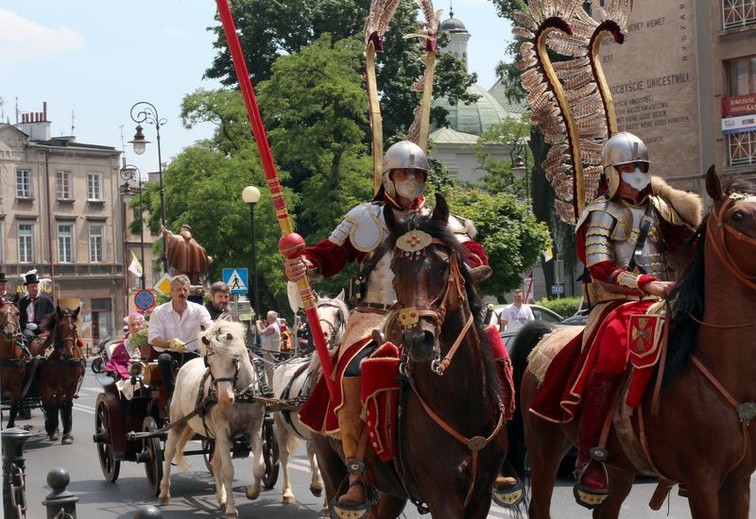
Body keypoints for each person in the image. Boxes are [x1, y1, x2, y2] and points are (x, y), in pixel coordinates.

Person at [284, 140, 490, 515]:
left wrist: (468, 261)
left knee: (491, 352)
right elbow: (328, 255)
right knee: (352, 372)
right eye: (402, 173)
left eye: (417, 174)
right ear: (387, 178)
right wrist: (305, 266)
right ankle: (358, 470)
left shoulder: (441, 219)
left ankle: (494, 446)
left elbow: (471, 252)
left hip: (432, 313)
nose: (411, 181)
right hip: (375, 315)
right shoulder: (365, 217)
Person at [529, 132, 701, 508]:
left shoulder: (662, 209)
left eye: (642, 167)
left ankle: (706, 446)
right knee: (612, 352)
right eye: (628, 168)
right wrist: (645, 283)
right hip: (617, 304)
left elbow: (687, 246)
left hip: (669, 301)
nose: (637, 174)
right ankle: (593, 452)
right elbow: (598, 265)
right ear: (611, 172)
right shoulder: (601, 213)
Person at [148, 274, 213, 401]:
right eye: (178, 290)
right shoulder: (159, 312)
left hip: (193, 353)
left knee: (211, 361)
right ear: (171, 291)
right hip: (171, 354)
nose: (182, 293)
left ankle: (206, 396)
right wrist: (170, 343)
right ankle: (172, 397)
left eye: (185, 290)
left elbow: (210, 325)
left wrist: (213, 334)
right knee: (164, 359)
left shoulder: (199, 309)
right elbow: (153, 338)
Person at [18, 272, 55, 342]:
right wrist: (25, 325)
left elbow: (53, 317)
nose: (34, 288)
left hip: (43, 332)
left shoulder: (46, 300)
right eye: (32, 287)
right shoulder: (22, 301)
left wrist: (44, 329)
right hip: (26, 331)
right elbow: (19, 317)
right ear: (27, 288)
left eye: (36, 286)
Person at [256, 311, 280, 393]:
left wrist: (257, 324)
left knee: (270, 369)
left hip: (270, 351)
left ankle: (272, 386)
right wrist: (262, 325)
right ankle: (271, 385)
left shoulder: (272, 327)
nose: (266, 318)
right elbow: (266, 331)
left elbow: (261, 333)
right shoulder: (272, 326)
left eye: (267, 316)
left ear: (271, 318)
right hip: (269, 350)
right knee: (269, 368)